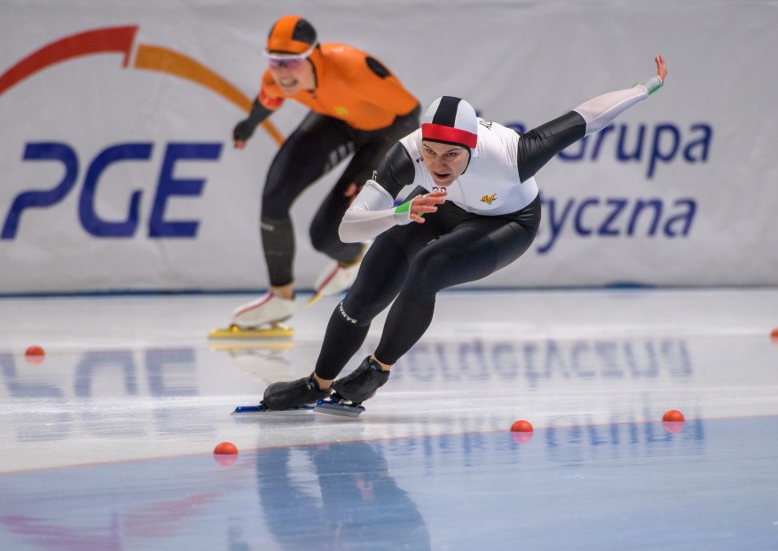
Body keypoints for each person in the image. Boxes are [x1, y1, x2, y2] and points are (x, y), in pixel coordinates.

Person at [260, 55, 669, 410]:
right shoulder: (408, 154)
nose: (439, 164)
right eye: (432, 153)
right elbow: (350, 228)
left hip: (508, 221)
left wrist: (643, 88)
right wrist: (400, 213)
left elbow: (586, 117)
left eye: (452, 154)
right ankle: (319, 382)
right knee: (368, 285)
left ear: (472, 146)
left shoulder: (512, 156)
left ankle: (375, 371)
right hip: (438, 207)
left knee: (427, 267)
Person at [228, 15, 420, 330]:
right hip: (336, 119)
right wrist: (247, 127)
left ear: (314, 55)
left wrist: (371, 172)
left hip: (382, 133)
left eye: (292, 62)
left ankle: (353, 256)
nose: (282, 72)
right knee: (274, 196)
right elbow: (265, 103)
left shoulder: (353, 70)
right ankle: (280, 296)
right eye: (274, 61)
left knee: (326, 236)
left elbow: (411, 114)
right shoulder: (275, 79)